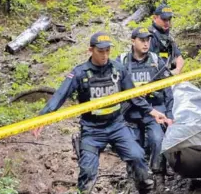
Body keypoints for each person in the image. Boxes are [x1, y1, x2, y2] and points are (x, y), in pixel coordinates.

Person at [32, 32, 168, 193]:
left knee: (137, 156)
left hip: (117, 126)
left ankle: (144, 188)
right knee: (88, 171)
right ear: (91, 50)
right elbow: (60, 95)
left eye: (107, 51)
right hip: (92, 129)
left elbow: (133, 95)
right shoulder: (80, 73)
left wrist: (152, 111)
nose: (104, 55)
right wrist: (43, 117)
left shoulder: (118, 69)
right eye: (100, 51)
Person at [117, 27, 174, 192]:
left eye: (148, 40)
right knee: (133, 147)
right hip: (129, 113)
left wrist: (169, 114)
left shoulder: (156, 61)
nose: (145, 43)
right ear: (132, 41)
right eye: (142, 40)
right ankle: (135, 179)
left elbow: (167, 89)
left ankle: (159, 177)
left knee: (157, 139)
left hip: (154, 110)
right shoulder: (121, 61)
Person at [148, 4, 184, 75]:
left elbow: (179, 58)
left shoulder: (168, 37)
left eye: (169, 19)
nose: (167, 22)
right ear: (155, 18)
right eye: (164, 19)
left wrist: (177, 70)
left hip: (169, 76)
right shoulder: (148, 37)